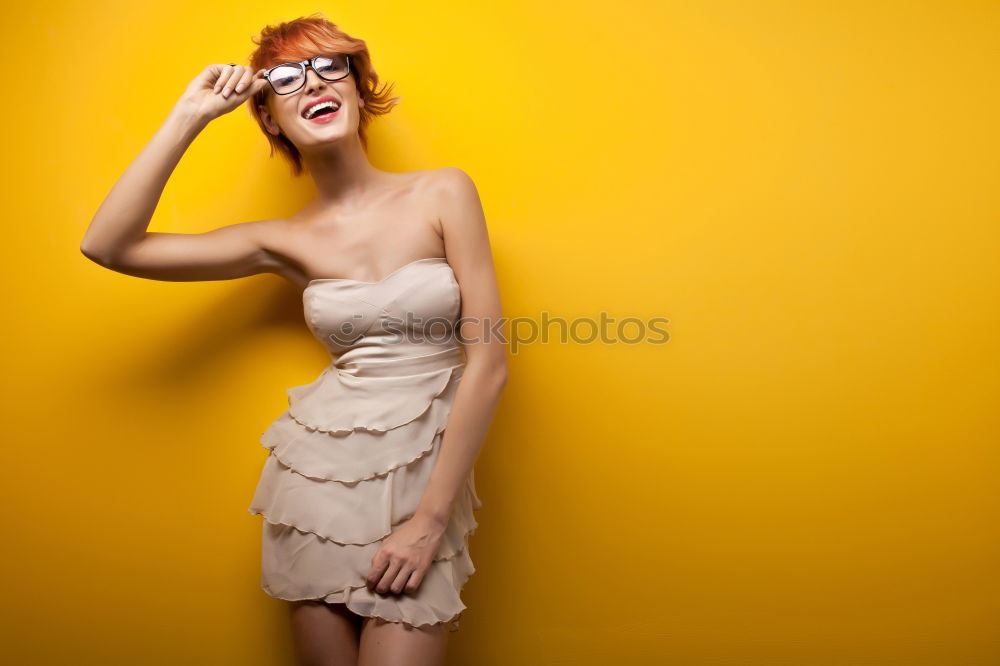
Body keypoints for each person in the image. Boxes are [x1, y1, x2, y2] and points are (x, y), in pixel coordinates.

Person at [80, 13, 508, 666]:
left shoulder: (442, 192)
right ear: (271, 121)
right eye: (285, 79)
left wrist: (428, 522)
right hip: (316, 485)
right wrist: (189, 116)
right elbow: (109, 246)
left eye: (330, 65)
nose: (311, 80)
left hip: (425, 487)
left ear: (360, 90)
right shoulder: (282, 240)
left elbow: (490, 363)